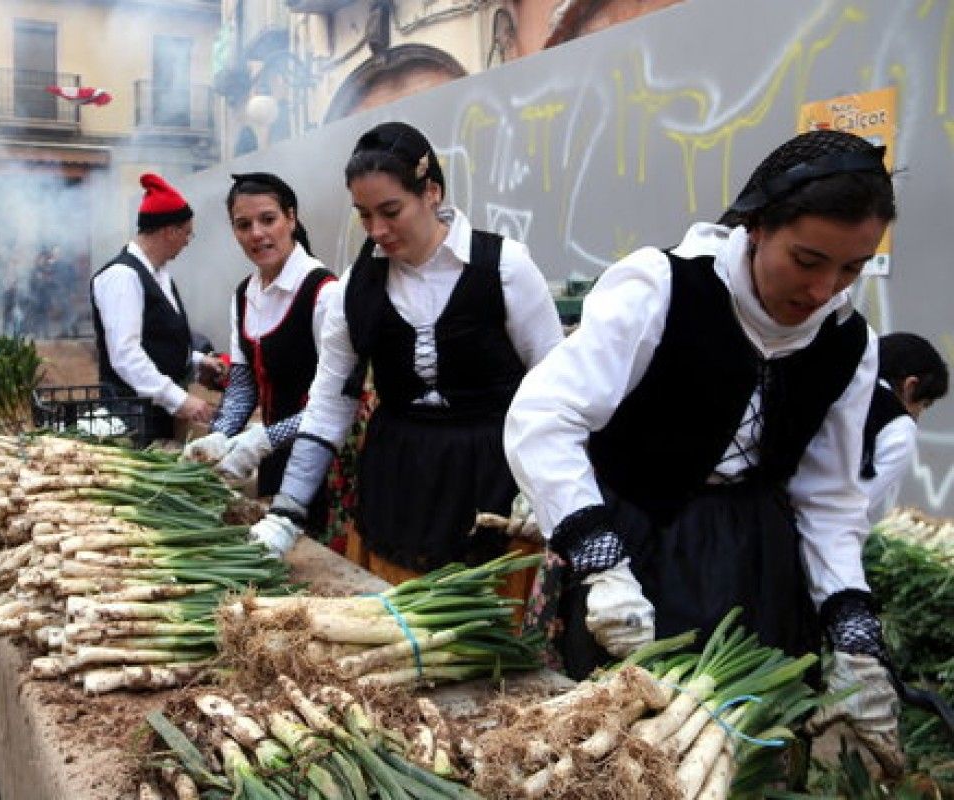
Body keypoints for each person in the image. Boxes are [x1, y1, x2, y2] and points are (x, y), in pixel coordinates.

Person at [504, 129, 904, 773]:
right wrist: (603, 565)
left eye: (852, 268)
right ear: (755, 227)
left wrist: (854, 636)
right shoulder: (662, 289)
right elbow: (544, 417)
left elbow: (828, 502)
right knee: (616, 749)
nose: (825, 288)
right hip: (638, 545)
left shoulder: (848, 345)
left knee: (736, 752)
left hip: (754, 565)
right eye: (807, 260)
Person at [248, 122, 563, 576]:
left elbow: (552, 382)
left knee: (484, 627)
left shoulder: (504, 267)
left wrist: (541, 481)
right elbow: (331, 401)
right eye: (363, 214)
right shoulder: (357, 286)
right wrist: (287, 508)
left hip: (492, 475)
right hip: (397, 478)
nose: (376, 229)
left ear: (431, 191)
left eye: (390, 210)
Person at [183, 173, 338, 530]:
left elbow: (335, 405)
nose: (256, 233)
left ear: (291, 218)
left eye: (268, 219)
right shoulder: (244, 295)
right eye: (243, 225)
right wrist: (219, 437)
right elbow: (243, 384)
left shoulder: (323, 293)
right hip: (272, 460)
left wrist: (265, 438)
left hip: (323, 463)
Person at [90, 172, 223, 443]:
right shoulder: (122, 276)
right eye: (187, 233)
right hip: (133, 415)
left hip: (156, 412)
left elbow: (158, 341)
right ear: (169, 231)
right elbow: (126, 355)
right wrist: (180, 399)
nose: (188, 241)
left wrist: (197, 361)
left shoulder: (159, 275)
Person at [861, 332, 948, 517]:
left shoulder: (838, 389)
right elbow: (854, 505)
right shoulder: (899, 428)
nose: (917, 417)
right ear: (910, 386)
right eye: (924, 405)